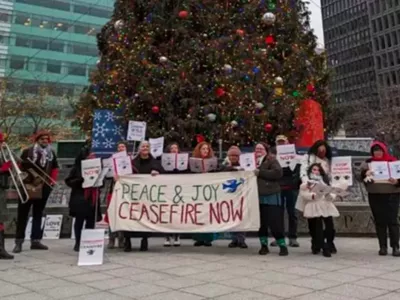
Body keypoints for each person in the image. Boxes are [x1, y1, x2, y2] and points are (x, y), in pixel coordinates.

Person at [13, 131, 59, 253]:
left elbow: (55, 168)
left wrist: (52, 182)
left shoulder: (51, 153)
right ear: (37, 140)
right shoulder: (27, 152)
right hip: (28, 186)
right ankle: (19, 241)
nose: (45, 141)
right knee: (22, 214)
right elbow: (19, 168)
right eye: (42, 138)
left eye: (47, 139)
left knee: (38, 213)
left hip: (44, 186)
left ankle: (36, 240)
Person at [360, 141, 400, 257]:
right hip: (375, 194)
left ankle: (395, 246)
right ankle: (382, 246)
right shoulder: (367, 163)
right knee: (379, 221)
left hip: (392, 193)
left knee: (392, 221)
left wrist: (397, 181)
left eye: (380, 150)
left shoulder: (393, 161)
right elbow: (359, 176)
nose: (378, 153)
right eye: (375, 151)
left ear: (384, 150)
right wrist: (365, 173)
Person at [124, 140, 163, 252]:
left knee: (146, 216)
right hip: (133, 194)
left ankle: (144, 240)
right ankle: (127, 241)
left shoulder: (155, 162)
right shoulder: (132, 162)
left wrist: (157, 173)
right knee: (129, 216)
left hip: (147, 195)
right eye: (143, 146)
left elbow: (163, 173)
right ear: (139, 148)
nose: (145, 148)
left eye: (147, 146)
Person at [296, 163, 343, 257]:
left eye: (318, 170)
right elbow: (303, 194)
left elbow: (332, 192)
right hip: (313, 204)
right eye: (314, 169)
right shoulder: (307, 182)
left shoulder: (325, 181)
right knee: (316, 227)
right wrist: (312, 196)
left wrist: (330, 195)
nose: (316, 172)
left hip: (325, 204)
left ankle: (329, 242)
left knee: (330, 226)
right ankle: (321, 245)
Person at [299, 139, 337, 254]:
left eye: (324, 151)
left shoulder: (327, 161)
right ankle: (316, 243)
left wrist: (333, 193)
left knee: (328, 222)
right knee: (314, 223)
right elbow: (303, 172)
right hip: (311, 194)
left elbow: (331, 179)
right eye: (320, 150)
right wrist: (309, 185)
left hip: (324, 197)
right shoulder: (308, 158)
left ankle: (329, 242)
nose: (322, 152)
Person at [65, 143, 102, 252]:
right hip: (80, 197)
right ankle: (78, 242)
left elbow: (102, 183)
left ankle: (88, 241)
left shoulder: (97, 167)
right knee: (79, 221)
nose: (92, 158)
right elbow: (68, 181)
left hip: (92, 198)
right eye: (90, 156)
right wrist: (80, 180)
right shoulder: (77, 168)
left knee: (91, 221)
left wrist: (99, 181)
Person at [254, 143, 288, 256]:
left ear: (266, 151)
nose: (258, 150)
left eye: (261, 148)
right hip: (257, 196)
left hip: (271, 194)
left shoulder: (271, 160)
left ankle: (282, 245)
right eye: (256, 148)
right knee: (261, 223)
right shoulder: (250, 161)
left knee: (275, 222)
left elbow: (278, 173)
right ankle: (264, 245)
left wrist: (261, 172)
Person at [270, 135, 300, 248]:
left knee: (293, 213)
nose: (281, 144)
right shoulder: (273, 156)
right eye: (279, 142)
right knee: (278, 214)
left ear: (287, 142)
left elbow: (299, 169)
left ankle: (293, 237)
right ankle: (279, 238)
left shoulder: (294, 154)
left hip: (292, 187)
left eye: (283, 142)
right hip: (278, 187)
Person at [220, 145, 247, 249]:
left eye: (236, 155)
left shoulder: (244, 166)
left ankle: (241, 239)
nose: (233, 157)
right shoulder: (224, 165)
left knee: (241, 216)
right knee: (232, 216)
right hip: (229, 195)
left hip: (241, 194)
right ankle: (234, 239)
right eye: (231, 155)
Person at [192, 141, 218, 247]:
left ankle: (208, 239)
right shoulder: (193, 161)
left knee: (208, 214)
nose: (205, 151)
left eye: (207, 149)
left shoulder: (212, 161)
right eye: (203, 149)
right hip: (197, 190)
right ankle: (199, 238)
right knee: (198, 214)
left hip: (209, 191)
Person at [107, 141, 126, 249]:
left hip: (125, 192)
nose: (121, 148)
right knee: (112, 215)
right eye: (119, 147)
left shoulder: (129, 160)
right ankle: (111, 239)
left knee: (123, 215)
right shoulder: (111, 160)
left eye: (123, 146)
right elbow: (107, 174)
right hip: (113, 190)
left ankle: (121, 239)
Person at [164, 142, 183, 247]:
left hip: (179, 189)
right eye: (172, 148)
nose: (174, 149)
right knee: (167, 213)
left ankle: (177, 235)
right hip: (168, 188)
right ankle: (167, 236)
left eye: (176, 148)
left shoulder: (183, 160)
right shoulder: (164, 159)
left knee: (177, 213)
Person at [0, 133, 13, 259]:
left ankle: (1, 248)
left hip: (1, 189)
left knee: (1, 218)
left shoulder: (2, 154)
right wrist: (2, 169)